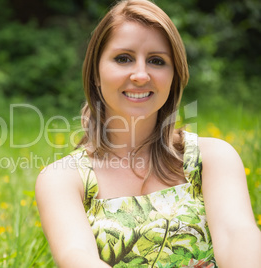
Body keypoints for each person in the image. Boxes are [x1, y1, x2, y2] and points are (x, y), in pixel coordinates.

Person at [35, 0, 261, 267]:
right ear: (96, 72)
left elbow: (237, 235)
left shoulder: (212, 159)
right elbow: (77, 257)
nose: (141, 75)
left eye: (157, 61)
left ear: (174, 75)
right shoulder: (63, 180)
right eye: (123, 58)